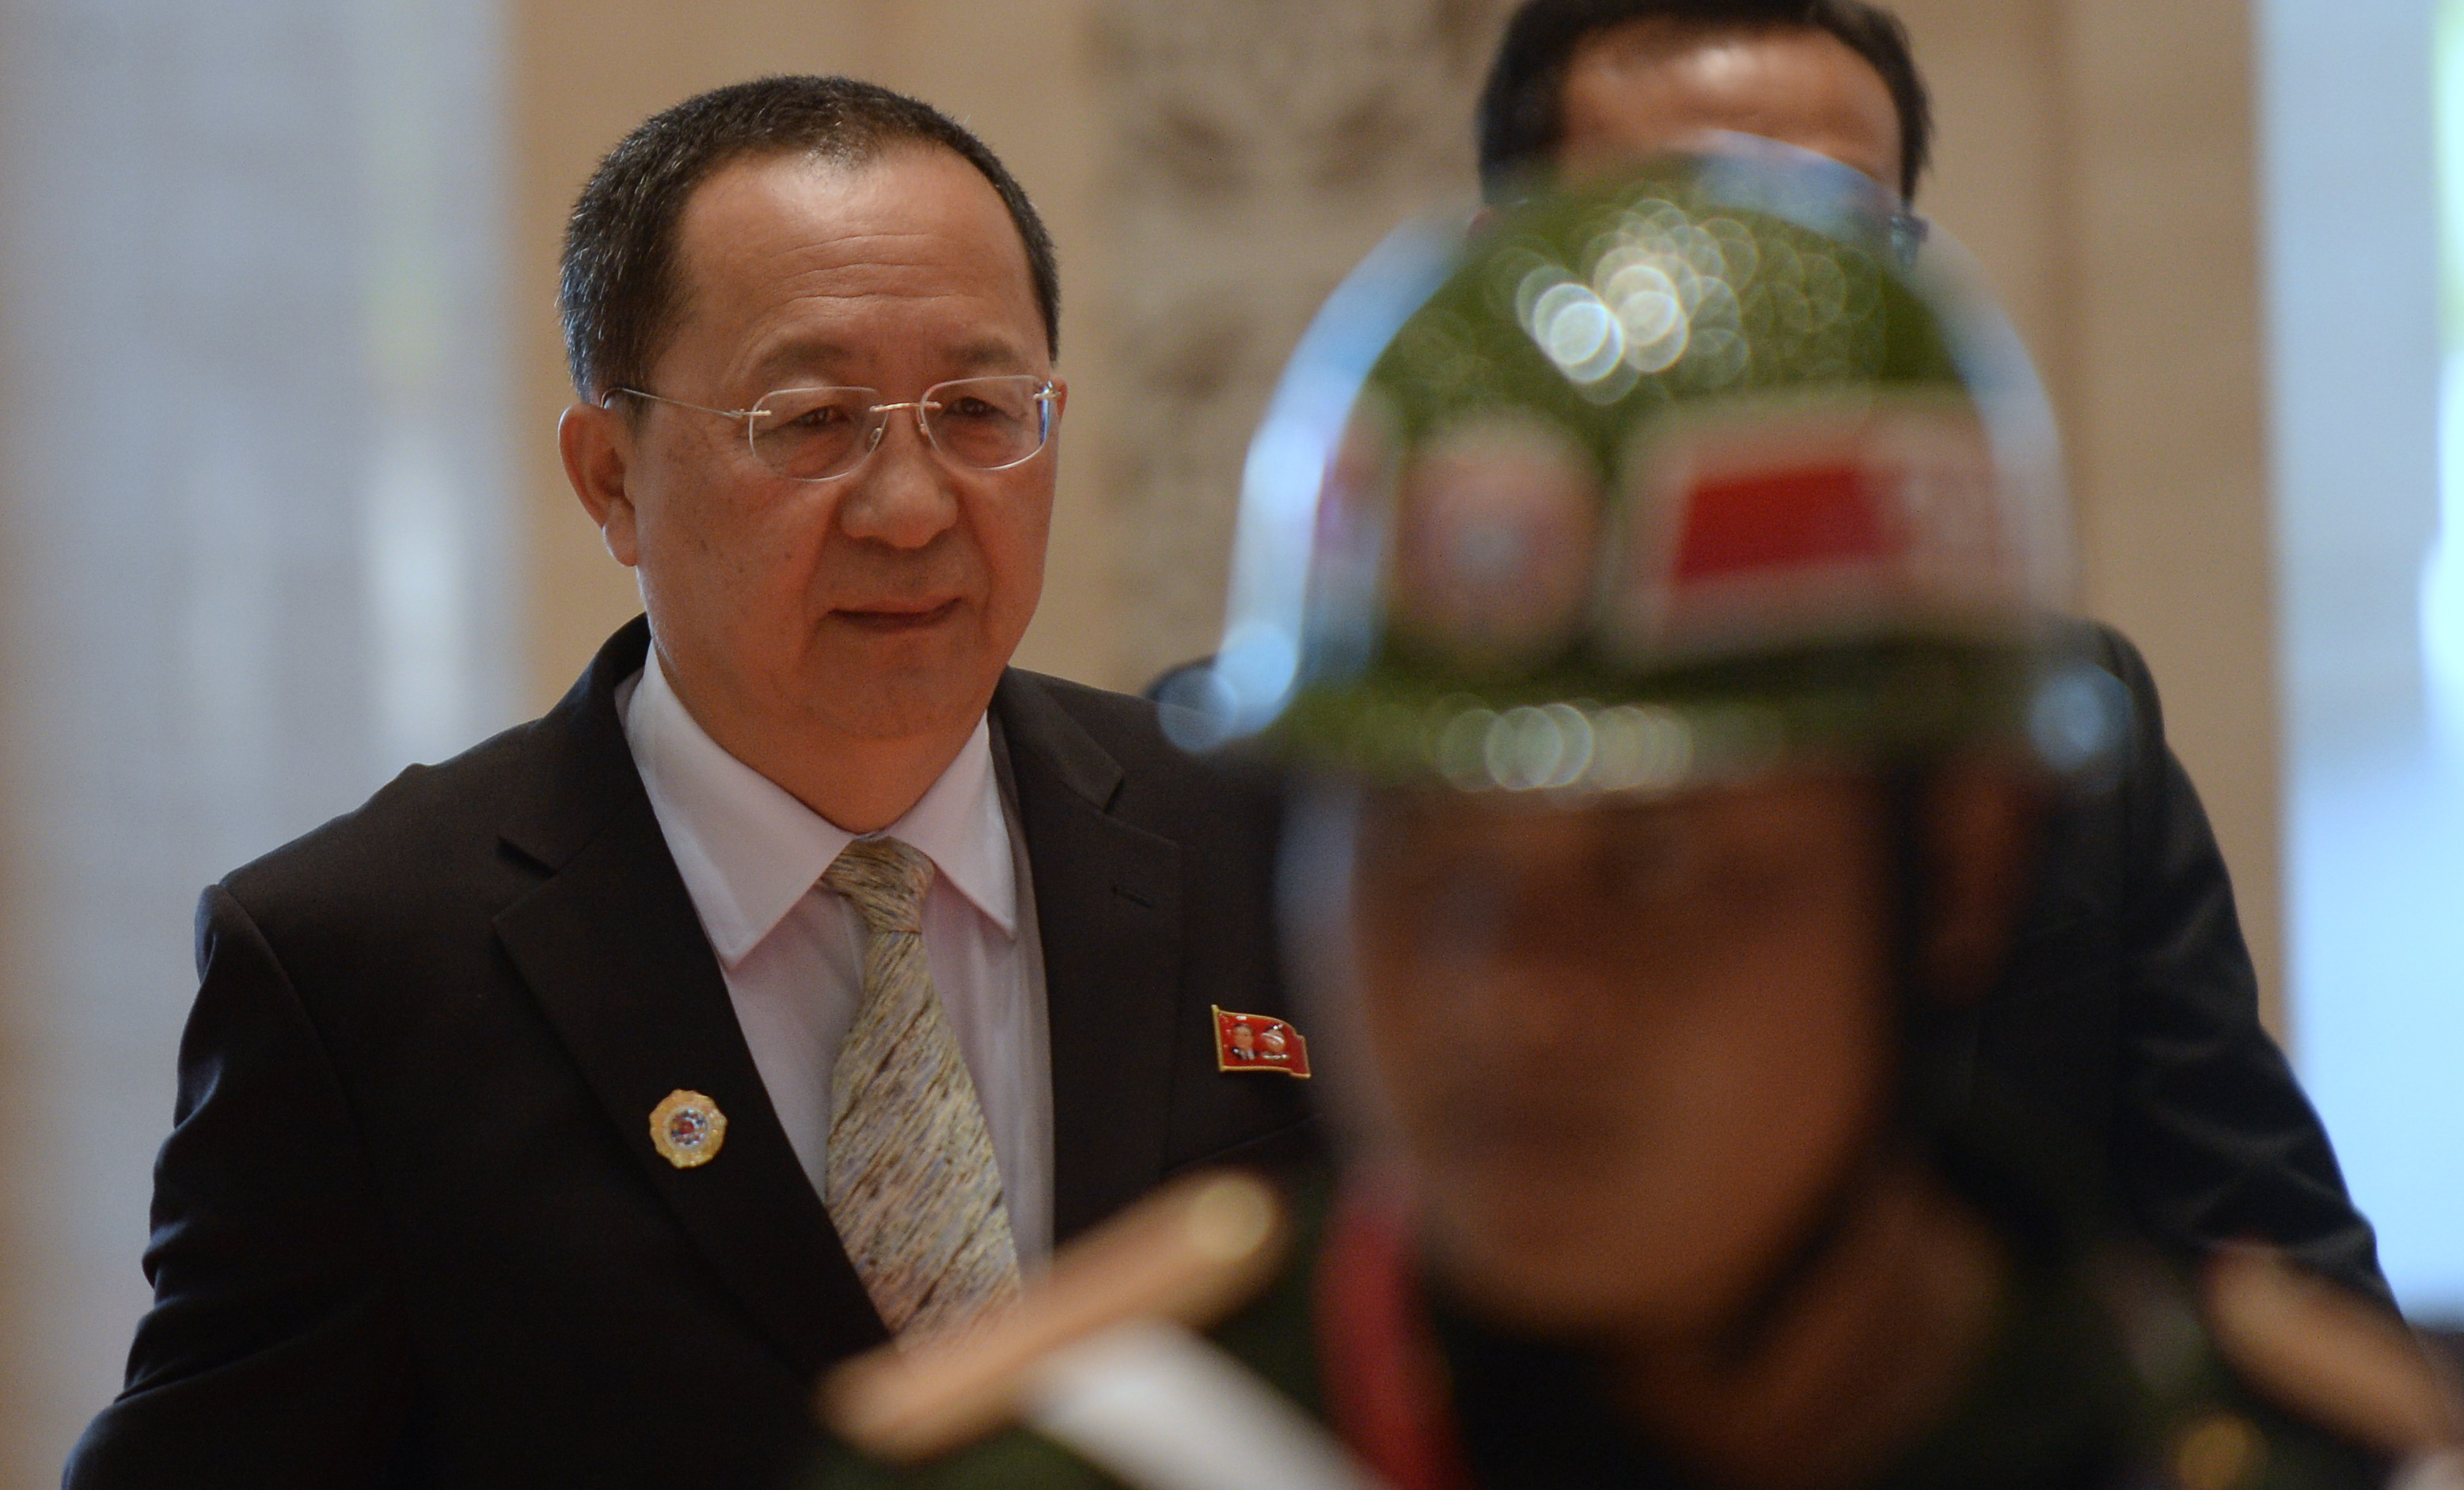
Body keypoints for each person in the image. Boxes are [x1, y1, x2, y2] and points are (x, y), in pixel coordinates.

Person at [807, 155, 2458, 1490]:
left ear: (1955, 870)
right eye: (1409, 853)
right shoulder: (1081, 1464)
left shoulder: (2249, 1452)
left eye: (1656, 868)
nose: (1505, 998)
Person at [65, 77, 1311, 1490]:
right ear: (609, 476)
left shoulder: (1261, 840)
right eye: (809, 420)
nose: (910, 507)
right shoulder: (358, 964)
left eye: (977, 411)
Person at [1466, 0, 2383, 1305]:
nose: (1768, 310)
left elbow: (2268, 1259)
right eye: (1691, 232)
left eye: (1839, 241)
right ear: (1509, 271)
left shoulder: (2061, 722)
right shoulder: (1291, 751)